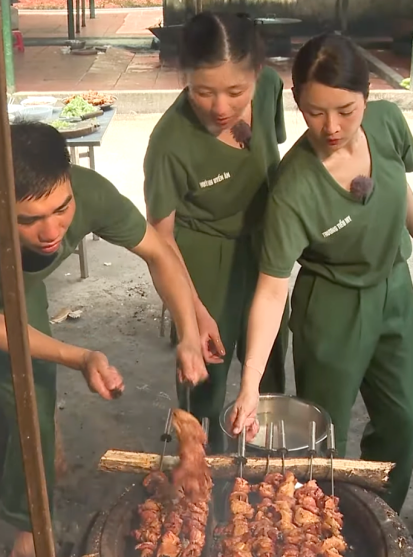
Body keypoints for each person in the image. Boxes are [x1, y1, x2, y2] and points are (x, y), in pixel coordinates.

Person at [0, 122, 209, 557]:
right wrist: (79, 356)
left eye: (61, 209)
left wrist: (190, 335)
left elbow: (158, 252)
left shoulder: (89, 193)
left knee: (33, 406)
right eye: (29, 220)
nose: (52, 231)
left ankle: (29, 528)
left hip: (16, 292)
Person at [227, 33, 413, 513]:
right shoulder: (293, 185)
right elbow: (270, 291)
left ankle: (379, 515)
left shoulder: (387, 124)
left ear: (367, 96)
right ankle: (326, 526)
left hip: (393, 290)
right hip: (331, 306)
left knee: (403, 422)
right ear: (297, 103)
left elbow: (398, 187)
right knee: (326, 434)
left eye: (346, 110)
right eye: (314, 112)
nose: (331, 126)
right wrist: (250, 382)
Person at [143, 11, 289, 450]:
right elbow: (160, 241)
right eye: (203, 91)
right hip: (202, 257)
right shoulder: (170, 144)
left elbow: (274, 152)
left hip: (263, 246)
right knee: (207, 372)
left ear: (258, 76)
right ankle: (202, 472)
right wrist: (194, 311)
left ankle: (261, 466)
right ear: (183, 75)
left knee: (266, 364)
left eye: (236, 92)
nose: (221, 108)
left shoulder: (269, 91)